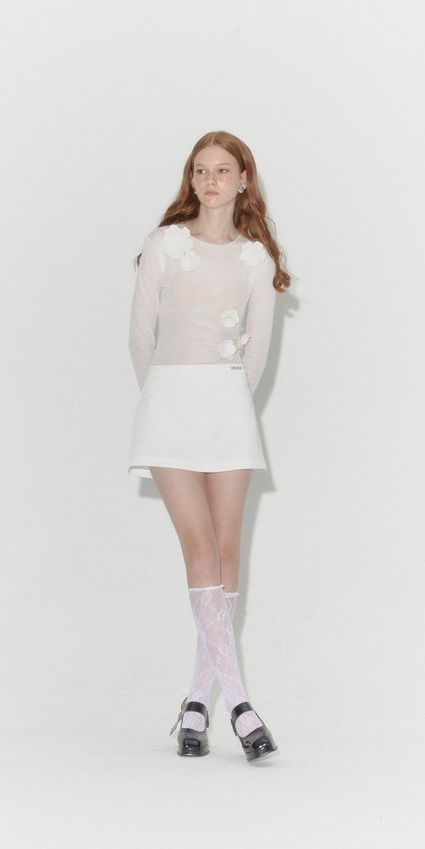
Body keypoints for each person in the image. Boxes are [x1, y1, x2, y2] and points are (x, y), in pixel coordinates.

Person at [128, 131, 291, 764]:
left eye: (223, 170)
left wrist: (223, 395)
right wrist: (169, 395)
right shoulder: (164, 245)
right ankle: (242, 705)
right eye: (200, 171)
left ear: (244, 180)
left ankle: (197, 703)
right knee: (199, 547)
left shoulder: (255, 259)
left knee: (226, 550)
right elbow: (141, 339)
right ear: (190, 179)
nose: (211, 181)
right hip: (168, 406)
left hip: (228, 409)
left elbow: (258, 351)